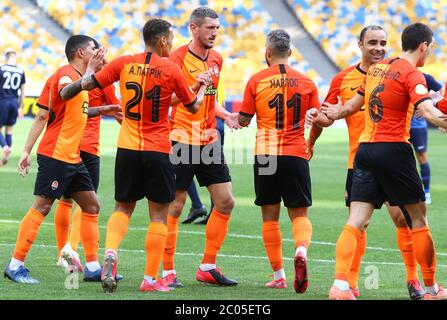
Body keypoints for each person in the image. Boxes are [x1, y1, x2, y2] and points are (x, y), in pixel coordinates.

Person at [60, 18, 207, 293]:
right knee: (159, 216)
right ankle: (151, 279)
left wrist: (76, 83)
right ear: (163, 40)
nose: (173, 43)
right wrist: (200, 86)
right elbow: (194, 107)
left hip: (127, 148)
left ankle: (111, 252)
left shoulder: (123, 63)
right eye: (171, 38)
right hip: (157, 150)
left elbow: (88, 84)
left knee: (122, 208)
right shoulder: (171, 69)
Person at [319, 23, 447, 300]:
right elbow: (426, 110)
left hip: (364, 151)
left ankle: (340, 286)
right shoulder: (412, 74)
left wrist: (329, 114)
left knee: (355, 220)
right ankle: (431, 289)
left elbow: (350, 108)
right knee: (418, 219)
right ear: (424, 46)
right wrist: (441, 120)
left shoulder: (377, 69)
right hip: (394, 151)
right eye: (430, 48)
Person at [4, 35, 119, 284]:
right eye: (93, 48)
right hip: (56, 155)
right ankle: (15, 265)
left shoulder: (79, 80)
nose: (97, 51)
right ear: (80, 52)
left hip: (72, 156)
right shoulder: (67, 74)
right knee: (42, 207)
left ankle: (91, 267)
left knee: (91, 206)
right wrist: (88, 73)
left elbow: (47, 115)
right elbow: (66, 92)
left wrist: (104, 110)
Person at [238, 29, 324, 293]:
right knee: (299, 213)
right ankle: (300, 249)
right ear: (290, 53)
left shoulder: (256, 80)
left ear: (267, 52)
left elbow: (243, 119)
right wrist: (310, 142)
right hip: (296, 152)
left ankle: (278, 275)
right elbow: (319, 120)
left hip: (266, 154)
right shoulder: (307, 82)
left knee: (269, 216)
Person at [162, 7, 240, 288]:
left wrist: (226, 115)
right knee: (175, 205)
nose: (215, 33)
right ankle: (167, 271)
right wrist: (193, 86)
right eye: (210, 28)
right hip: (181, 138)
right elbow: (168, 99)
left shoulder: (217, 59)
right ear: (193, 29)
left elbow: (209, 97)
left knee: (225, 201)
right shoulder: (177, 58)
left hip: (208, 139)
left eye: (217, 28)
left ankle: (207, 266)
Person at [409, 73, 443, 204]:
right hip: (401, 125)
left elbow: (443, 93)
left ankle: (426, 192)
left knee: (421, 157)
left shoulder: (425, 77)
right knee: (402, 158)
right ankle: (409, 191)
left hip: (418, 125)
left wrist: (433, 107)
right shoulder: (399, 73)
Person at [0, 50, 25, 165]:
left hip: (2, 101)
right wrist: (21, 107)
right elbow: (23, 91)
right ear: (15, 58)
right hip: (14, 102)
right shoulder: (21, 71)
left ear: (6, 58)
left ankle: (5, 147)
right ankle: (6, 157)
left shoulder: (1, 68)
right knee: (9, 130)